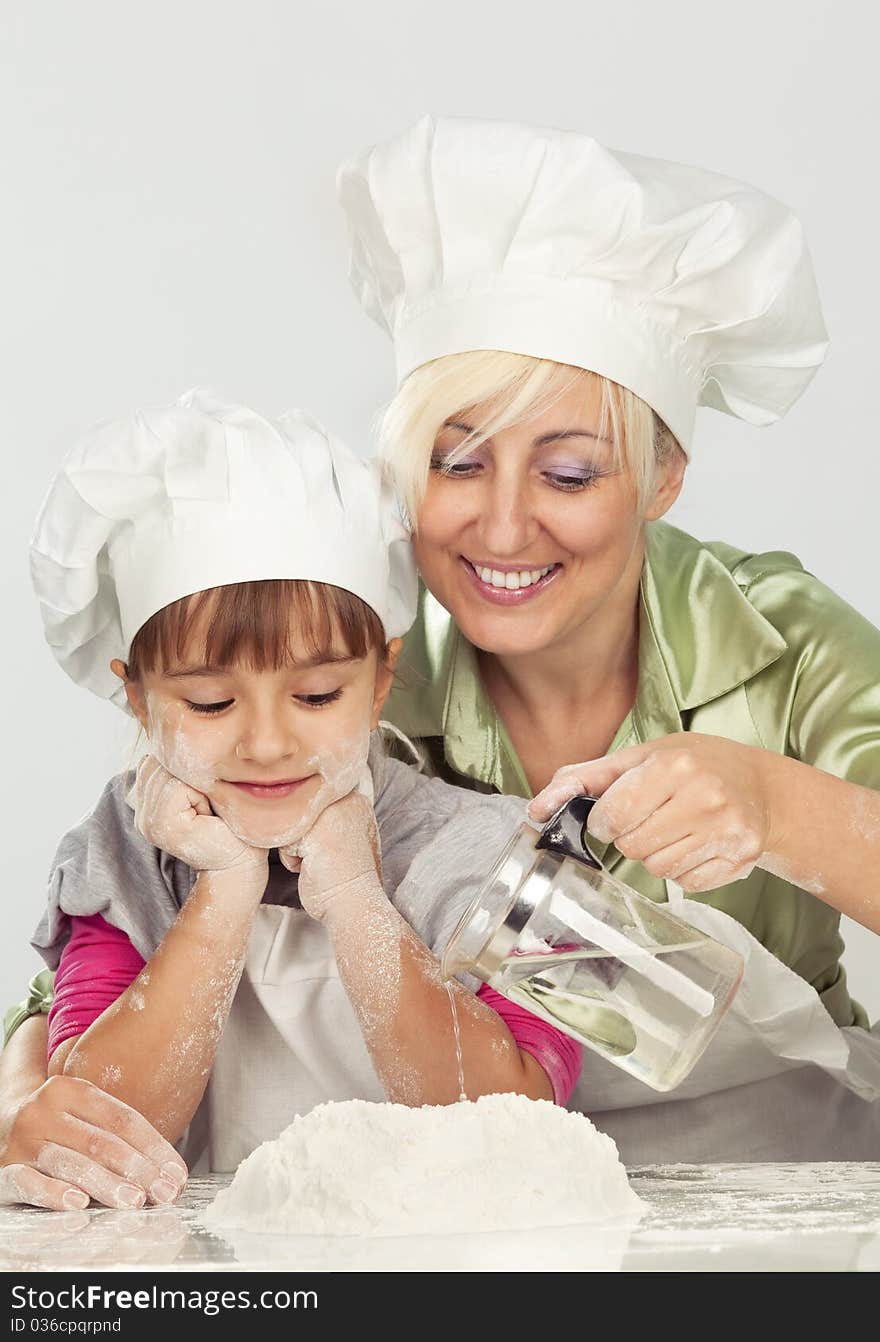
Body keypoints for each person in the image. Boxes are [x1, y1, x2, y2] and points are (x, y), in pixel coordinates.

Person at [335, 115, 880, 1157]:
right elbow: (122, 920)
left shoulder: (780, 635)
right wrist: (27, 1077)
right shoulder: (348, 662)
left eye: (569, 472)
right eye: (456, 464)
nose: (500, 527)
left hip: (789, 1188)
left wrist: (778, 808)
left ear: (664, 475)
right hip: (475, 1200)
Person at [17, 389, 582, 1193]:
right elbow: (94, 1137)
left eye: (317, 696)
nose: (268, 742)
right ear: (139, 701)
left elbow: (516, 1125)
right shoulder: (125, 852)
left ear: (381, 680)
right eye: (210, 703)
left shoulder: (490, 851)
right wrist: (222, 891)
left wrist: (356, 898)